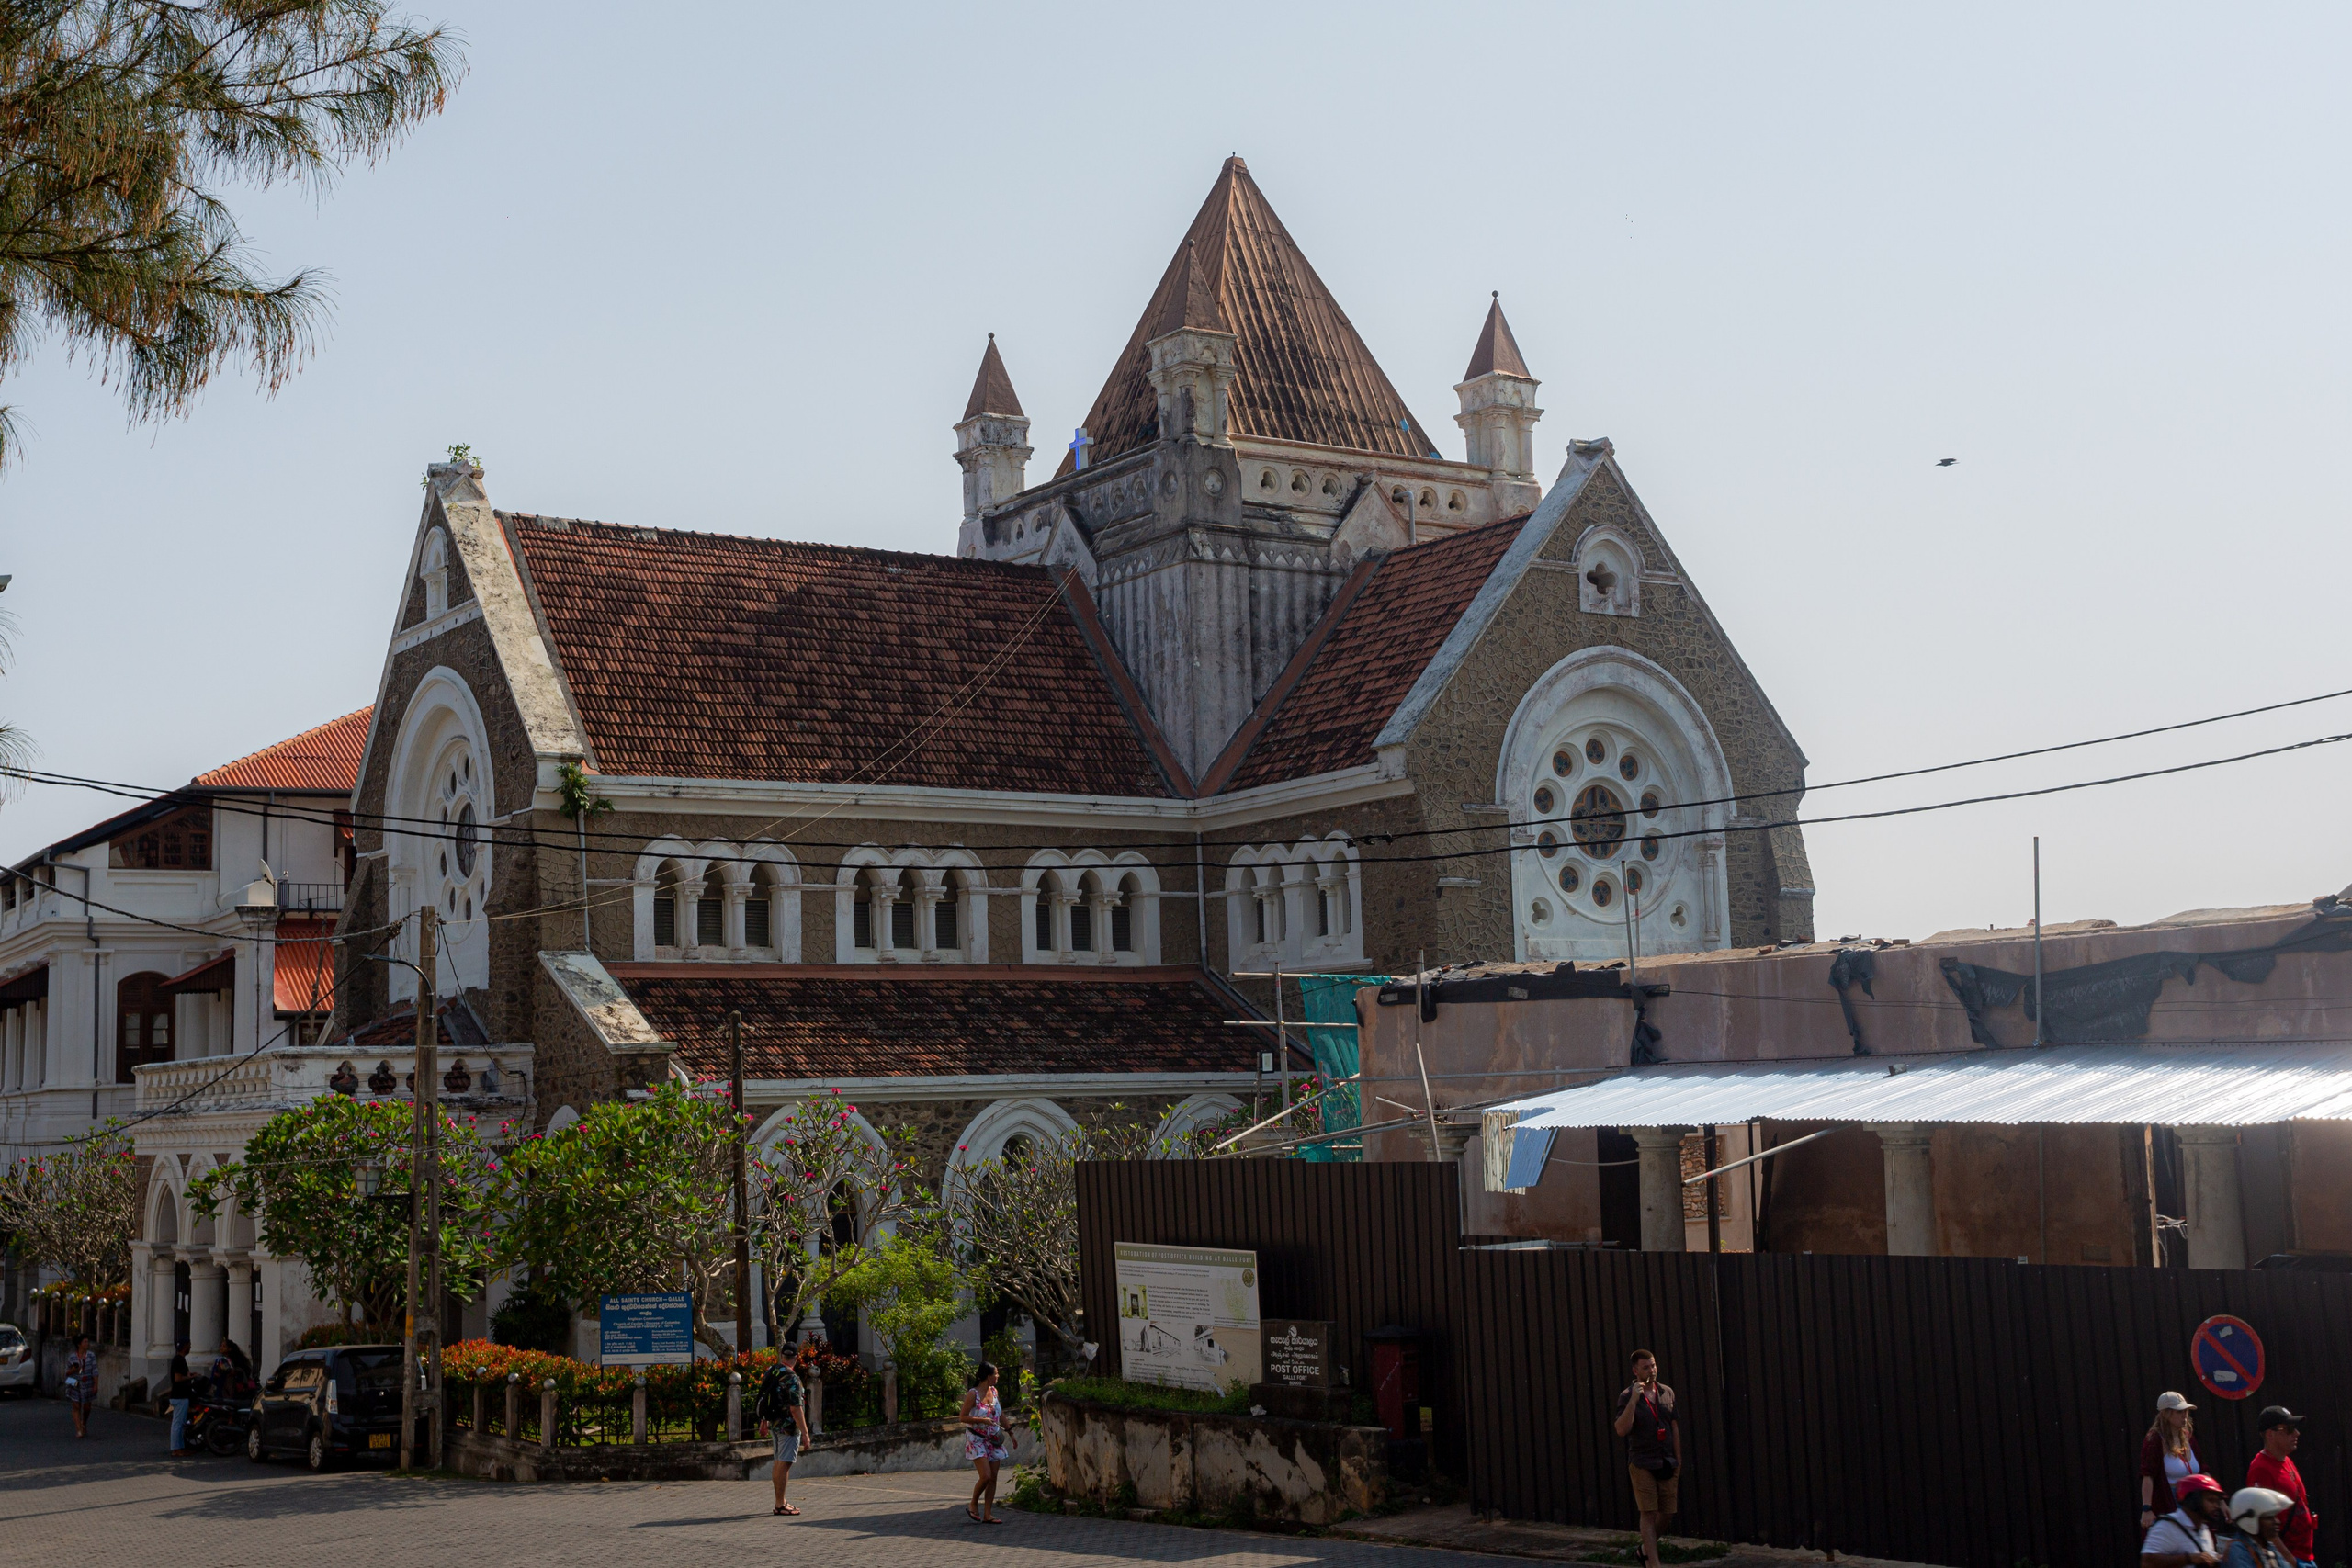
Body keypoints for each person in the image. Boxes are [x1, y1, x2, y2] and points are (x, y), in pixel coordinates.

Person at [1611, 1349, 1682, 1568]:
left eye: (1653, 1365)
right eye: (1645, 1367)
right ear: (1635, 1371)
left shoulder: (1666, 1392)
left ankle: (1643, 1551)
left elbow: (1674, 1427)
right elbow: (1621, 1430)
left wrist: (1678, 1461)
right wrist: (1634, 1398)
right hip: (1642, 1463)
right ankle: (1654, 1564)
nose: (1651, 1370)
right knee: (1648, 1513)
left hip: (1667, 1461)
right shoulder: (1627, 1396)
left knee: (1668, 1512)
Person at [2245, 1406, 2317, 1568]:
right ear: (2270, 1434)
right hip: (2290, 1560)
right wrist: (2289, 1560)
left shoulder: (2286, 1460)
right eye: (2289, 1429)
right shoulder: (2260, 1469)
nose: (2296, 1433)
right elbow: (2263, 1523)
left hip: (2304, 1557)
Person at [753, 1348, 810, 1517]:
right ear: (797, 1357)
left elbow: (765, 1396)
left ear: (782, 1356)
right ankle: (780, 1504)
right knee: (784, 1464)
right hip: (788, 1427)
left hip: (774, 1423)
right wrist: (806, 1433)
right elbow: (796, 1408)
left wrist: (763, 1420)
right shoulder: (792, 1378)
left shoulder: (773, 1370)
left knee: (779, 1462)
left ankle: (781, 1501)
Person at [2143, 1392, 2204, 1538]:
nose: (2184, 1415)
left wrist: (2220, 1502)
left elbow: (2203, 1469)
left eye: (2185, 1411)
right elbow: (2148, 1476)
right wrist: (2147, 1508)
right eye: (2179, 1412)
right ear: (2165, 1414)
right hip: (2171, 1503)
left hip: (2194, 1502)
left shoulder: (2187, 1436)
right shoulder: (2155, 1440)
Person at [961, 1360, 1016, 1524]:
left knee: (993, 1477)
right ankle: (973, 1504)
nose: (998, 1376)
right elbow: (963, 1417)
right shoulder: (973, 1394)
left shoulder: (994, 1391)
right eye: (995, 1374)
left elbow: (1001, 1415)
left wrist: (1010, 1432)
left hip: (993, 1439)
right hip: (976, 1438)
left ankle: (988, 1514)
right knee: (985, 1476)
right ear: (987, 1376)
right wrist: (981, 1420)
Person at [2143, 1473, 2230, 1568]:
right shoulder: (2167, 1526)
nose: (2216, 1506)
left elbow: (2204, 1558)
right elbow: (2146, 1562)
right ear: (2193, 1499)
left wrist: (2220, 1557)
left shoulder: (2203, 1529)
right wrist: (2188, 1559)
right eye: (2210, 1500)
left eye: (2217, 1502)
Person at [2222, 1487, 2301, 1568]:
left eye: (2275, 1517)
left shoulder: (2268, 1547)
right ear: (2249, 1519)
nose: (2277, 1522)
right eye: (2269, 1518)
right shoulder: (2238, 1550)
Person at [64, 1334, 98, 1438]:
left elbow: (95, 1371)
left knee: (87, 1407)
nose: (87, 1344)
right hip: (74, 1381)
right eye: (85, 1342)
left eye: (87, 1342)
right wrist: (73, 1370)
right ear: (79, 1344)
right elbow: (66, 1373)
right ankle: (79, 1428)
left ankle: (84, 1423)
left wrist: (96, 1384)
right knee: (76, 1406)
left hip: (87, 1382)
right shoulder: (72, 1357)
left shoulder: (91, 1356)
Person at [165, 1337, 193, 1457]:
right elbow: (178, 1379)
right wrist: (190, 1378)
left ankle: (180, 1447)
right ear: (185, 1346)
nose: (190, 1347)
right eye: (189, 1345)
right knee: (178, 1423)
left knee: (179, 1423)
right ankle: (176, 1449)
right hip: (180, 1395)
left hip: (179, 1395)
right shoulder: (179, 1360)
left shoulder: (179, 1359)